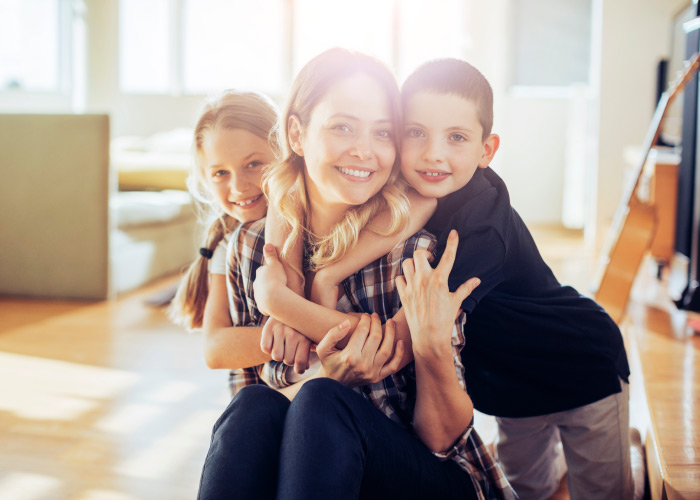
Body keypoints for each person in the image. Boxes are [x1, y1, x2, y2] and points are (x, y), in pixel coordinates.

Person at [270, 57, 633, 500]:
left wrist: (277, 299)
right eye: (415, 133)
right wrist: (326, 278)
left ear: (487, 150)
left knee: (604, 493)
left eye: (456, 138)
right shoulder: (407, 187)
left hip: (581, 366)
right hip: (509, 389)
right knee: (530, 489)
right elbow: (290, 195)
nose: (432, 154)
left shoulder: (478, 235)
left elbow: (398, 345)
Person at [197, 48, 516, 500]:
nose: (364, 150)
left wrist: (421, 350)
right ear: (296, 132)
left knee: (322, 404)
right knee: (253, 408)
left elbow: (441, 440)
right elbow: (261, 425)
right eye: (343, 126)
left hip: (431, 477)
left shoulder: (415, 255)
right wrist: (323, 374)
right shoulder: (252, 250)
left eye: (382, 132)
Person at [167, 89, 288, 395]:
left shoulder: (319, 222)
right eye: (220, 173)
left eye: (253, 164)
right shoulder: (226, 246)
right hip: (264, 401)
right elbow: (215, 348)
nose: (238, 186)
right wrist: (304, 335)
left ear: (286, 152)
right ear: (205, 180)